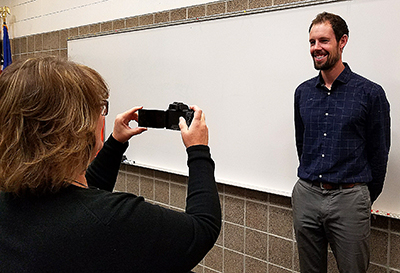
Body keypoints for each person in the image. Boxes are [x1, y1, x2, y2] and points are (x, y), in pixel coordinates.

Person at [0, 57, 221, 273]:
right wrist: (198, 150)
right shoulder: (116, 219)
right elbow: (202, 230)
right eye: (99, 108)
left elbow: (79, 199)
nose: (101, 115)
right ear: (76, 126)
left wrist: (115, 143)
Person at [292, 12, 390, 273]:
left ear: (342, 41)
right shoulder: (302, 93)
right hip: (307, 194)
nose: (316, 48)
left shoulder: (370, 93)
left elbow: (379, 152)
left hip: (349, 197)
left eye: (323, 40)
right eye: (312, 42)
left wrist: (362, 196)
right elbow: (302, 143)